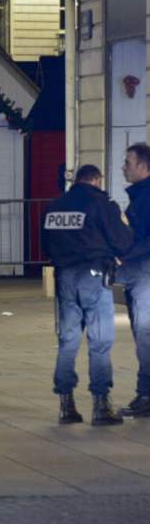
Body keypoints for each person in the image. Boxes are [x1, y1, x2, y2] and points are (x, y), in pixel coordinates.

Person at [41, 165, 132, 426]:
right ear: (96, 180)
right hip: (93, 275)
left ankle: (66, 404)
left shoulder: (54, 206)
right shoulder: (101, 204)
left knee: (68, 340)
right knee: (100, 340)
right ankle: (101, 404)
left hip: (65, 277)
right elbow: (122, 241)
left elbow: (45, 244)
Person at [118, 143, 150, 418]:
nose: (123, 167)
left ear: (143, 166)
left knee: (145, 335)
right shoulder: (140, 196)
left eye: (128, 162)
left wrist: (124, 254)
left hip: (145, 274)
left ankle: (147, 394)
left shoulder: (147, 196)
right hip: (139, 272)